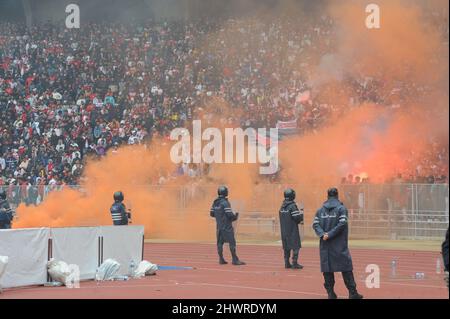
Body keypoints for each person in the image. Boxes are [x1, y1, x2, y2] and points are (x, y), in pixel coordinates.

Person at [312, 187, 363, 299]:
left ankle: (331, 294)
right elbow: (342, 224)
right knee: (346, 267)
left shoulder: (320, 210)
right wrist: (329, 234)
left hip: (325, 245)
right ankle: (352, 293)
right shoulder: (342, 209)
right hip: (339, 245)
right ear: (337, 196)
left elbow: (315, 225)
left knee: (327, 269)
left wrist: (323, 234)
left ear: (327, 196)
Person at [210, 186, 245, 265]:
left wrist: (219, 216)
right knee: (232, 242)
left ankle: (221, 259)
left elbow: (211, 214)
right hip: (227, 227)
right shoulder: (225, 203)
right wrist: (235, 217)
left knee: (219, 243)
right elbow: (229, 215)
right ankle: (235, 259)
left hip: (219, 227)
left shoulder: (215, 202)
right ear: (225, 192)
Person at [279, 188, 304, 269]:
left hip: (284, 230)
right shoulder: (292, 206)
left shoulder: (282, 207)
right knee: (296, 246)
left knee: (286, 247)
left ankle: (286, 263)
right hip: (292, 230)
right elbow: (297, 217)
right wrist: (301, 216)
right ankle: (294, 263)